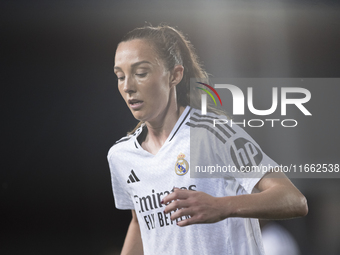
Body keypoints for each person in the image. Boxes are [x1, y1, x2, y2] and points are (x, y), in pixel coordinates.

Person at [108, 24, 308, 255]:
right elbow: (139, 223)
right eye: (120, 76)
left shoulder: (213, 133)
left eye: (140, 73)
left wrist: (221, 206)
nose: (127, 86)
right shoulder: (121, 156)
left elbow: (293, 199)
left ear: (175, 75)